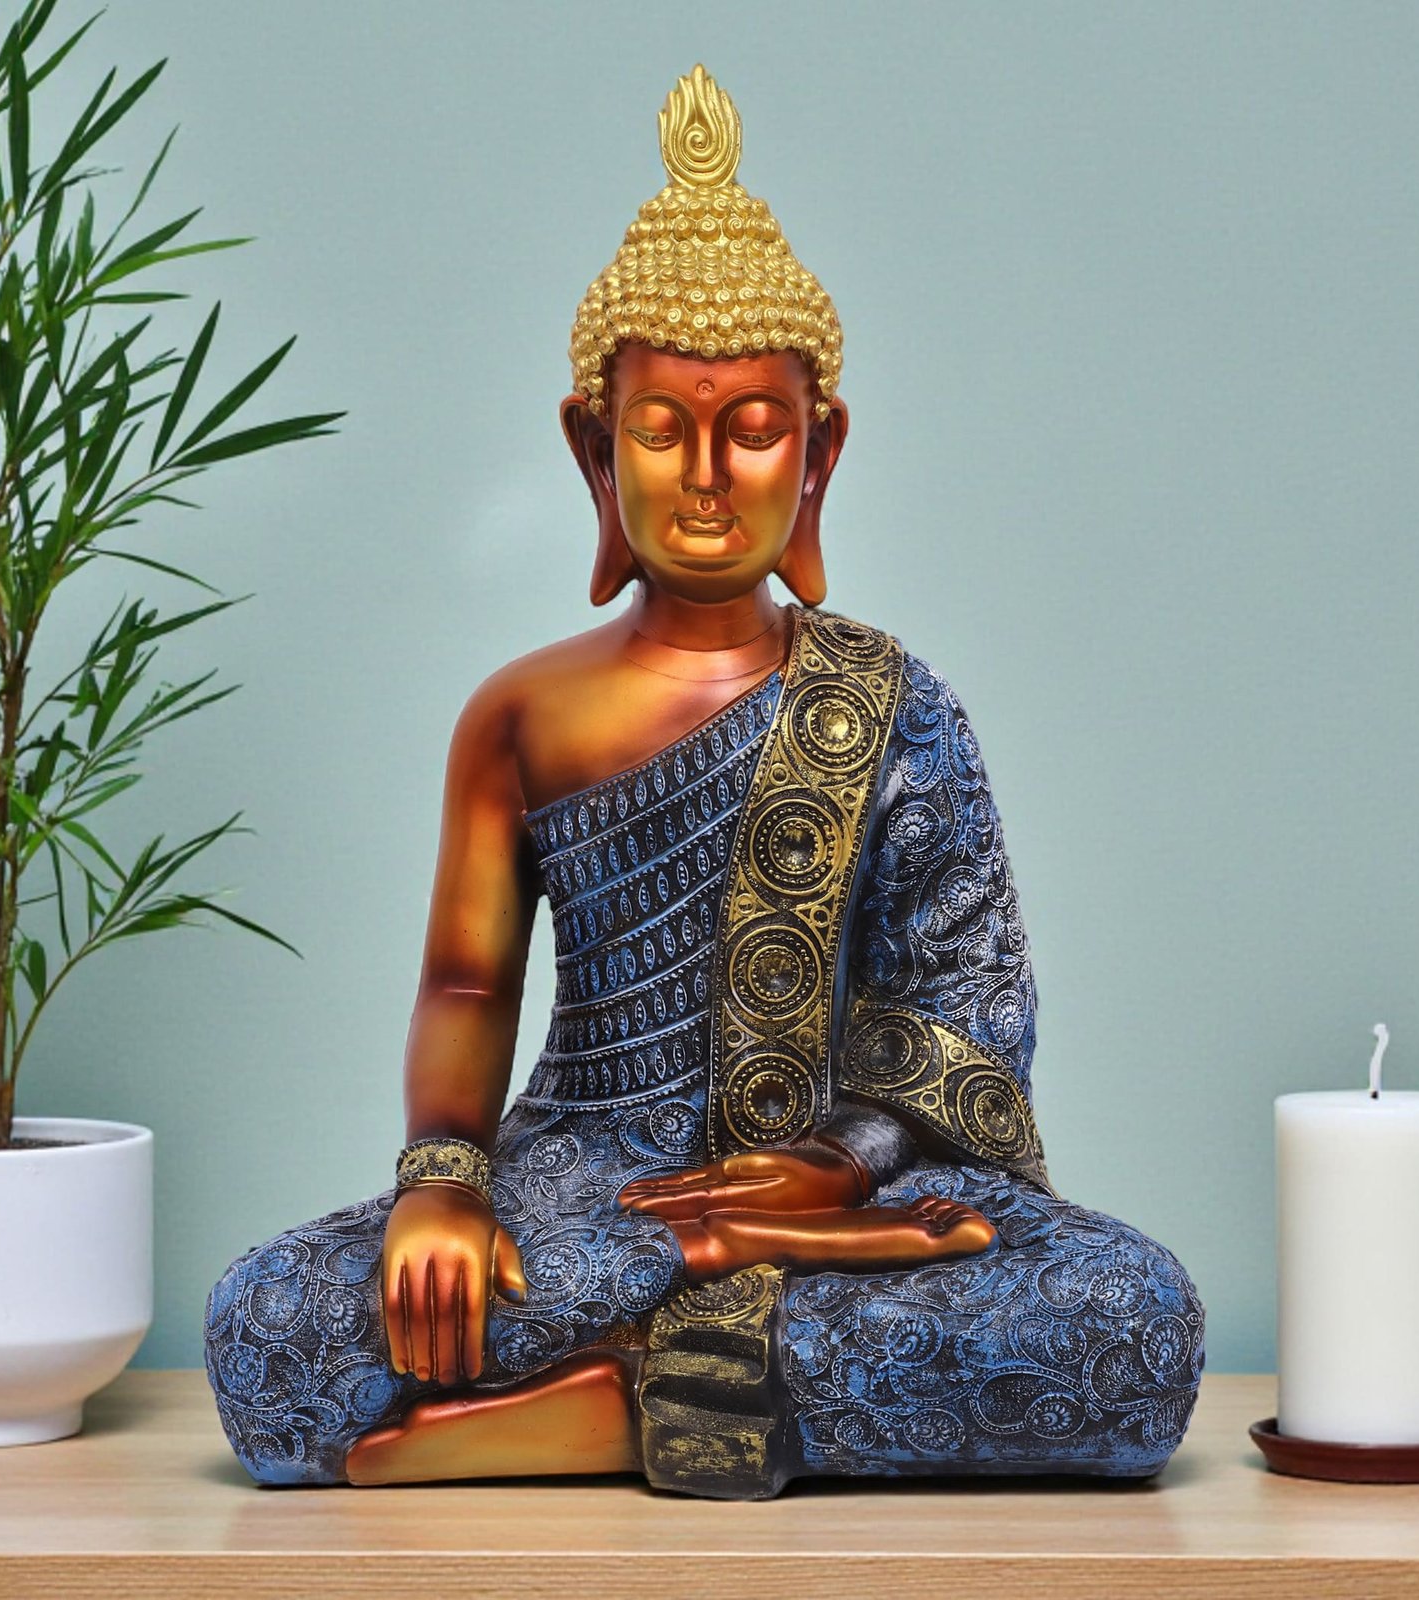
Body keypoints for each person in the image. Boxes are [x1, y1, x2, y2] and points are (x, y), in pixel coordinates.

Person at [205, 65, 1203, 1498]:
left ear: (822, 448)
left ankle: (617, 1409)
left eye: (755, 428)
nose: (709, 477)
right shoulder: (522, 714)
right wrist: (444, 1183)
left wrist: (838, 1166)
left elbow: (970, 1001)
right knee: (267, 1331)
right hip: (593, 1189)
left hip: (845, 1194)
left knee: (1129, 1318)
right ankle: (707, 1375)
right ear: (593, 445)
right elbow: (470, 987)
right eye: (664, 429)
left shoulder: (894, 703)